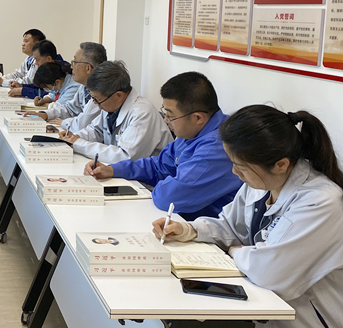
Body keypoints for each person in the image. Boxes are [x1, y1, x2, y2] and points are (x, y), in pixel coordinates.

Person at [154, 105, 343, 328]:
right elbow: (230, 225)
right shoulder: (262, 182)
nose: (234, 172)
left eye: (241, 166)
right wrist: (189, 230)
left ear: (281, 164)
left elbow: (271, 272)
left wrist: (236, 252)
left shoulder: (321, 202)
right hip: (259, 315)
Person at [86, 72, 241, 220]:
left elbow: (168, 197)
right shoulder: (191, 133)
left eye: (170, 116)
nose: (166, 121)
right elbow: (158, 166)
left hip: (204, 230)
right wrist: (113, 169)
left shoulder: (216, 149)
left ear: (198, 118)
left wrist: (165, 184)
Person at [60, 61, 171, 163]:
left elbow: (124, 156)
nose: (95, 104)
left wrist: (79, 144)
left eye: (97, 99)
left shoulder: (142, 113)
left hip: (147, 178)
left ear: (118, 95)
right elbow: (96, 130)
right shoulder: (110, 104)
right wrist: (74, 137)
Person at [58, 42, 106, 132]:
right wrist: (46, 114)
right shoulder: (84, 87)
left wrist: (64, 122)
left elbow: (82, 124)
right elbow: (70, 108)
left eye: (74, 62)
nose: (71, 67)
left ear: (88, 68)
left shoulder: (101, 91)